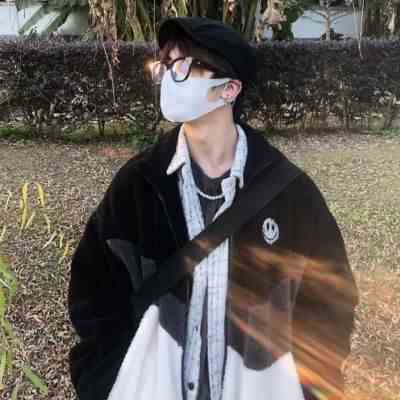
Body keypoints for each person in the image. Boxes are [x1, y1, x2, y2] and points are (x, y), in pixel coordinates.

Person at [68, 16, 359, 400]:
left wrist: (307, 387)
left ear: (229, 89)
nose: (169, 77)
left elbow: (331, 301)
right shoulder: (138, 184)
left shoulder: (289, 193)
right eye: (165, 65)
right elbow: (93, 293)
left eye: (184, 65)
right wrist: (104, 379)